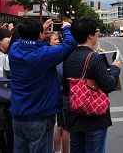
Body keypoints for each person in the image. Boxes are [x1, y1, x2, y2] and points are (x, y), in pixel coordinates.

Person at [8, 18, 77, 153]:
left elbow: (20, 38)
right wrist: (68, 27)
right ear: (40, 35)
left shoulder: (14, 49)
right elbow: (70, 44)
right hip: (39, 116)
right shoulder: (43, 54)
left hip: (18, 115)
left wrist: (41, 30)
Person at [63, 17, 121, 153]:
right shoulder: (94, 58)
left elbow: (66, 87)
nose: (97, 34)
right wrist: (115, 68)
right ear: (90, 35)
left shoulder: (69, 55)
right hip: (94, 117)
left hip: (75, 115)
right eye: (96, 31)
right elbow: (108, 84)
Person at [46, 33, 70, 153]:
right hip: (60, 93)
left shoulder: (48, 55)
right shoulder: (54, 56)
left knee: (59, 126)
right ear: (48, 41)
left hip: (53, 93)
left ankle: (56, 151)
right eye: (55, 39)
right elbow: (61, 74)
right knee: (65, 128)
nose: (58, 42)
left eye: (58, 39)